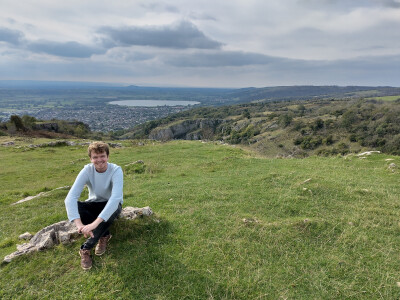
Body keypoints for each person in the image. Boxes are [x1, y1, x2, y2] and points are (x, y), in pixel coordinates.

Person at [65, 141, 123, 270]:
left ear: (107, 156)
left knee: (113, 208)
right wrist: (79, 225)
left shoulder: (116, 170)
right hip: (94, 203)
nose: (99, 160)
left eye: (102, 156)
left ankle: (86, 248)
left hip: (112, 205)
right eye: (95, 157)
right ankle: (105, 234)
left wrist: (93, 225)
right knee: (78, 207)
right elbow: (70, 198)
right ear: (91, 159)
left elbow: (115, 199)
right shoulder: (87, 170)